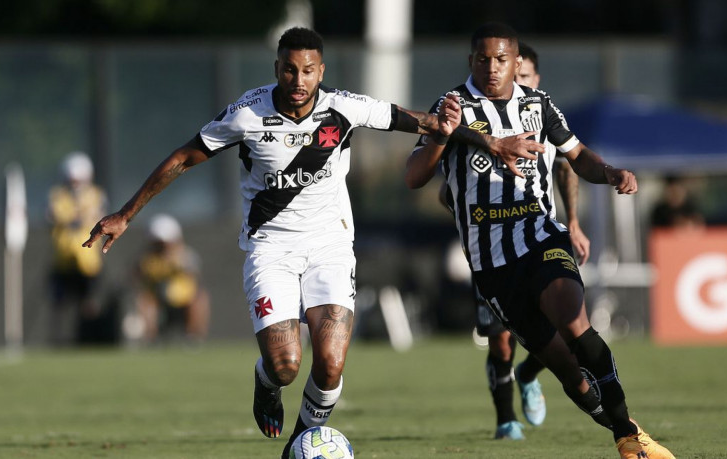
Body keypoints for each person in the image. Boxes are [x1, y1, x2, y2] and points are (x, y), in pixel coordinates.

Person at [83, 27, 537, 458]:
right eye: (288, 70)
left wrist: (489, 143)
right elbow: (185, 155)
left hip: (331, 247)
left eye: (308, 71)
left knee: (332, 363)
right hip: (270, 250)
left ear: (321, 71)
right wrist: (126, 213)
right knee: (285, 364)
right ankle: (267, 382)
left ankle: (298, 445)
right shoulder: (248, 112)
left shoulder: (343, 108)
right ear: (277, 67)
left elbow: (419, 121)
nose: (298, 81)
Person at [405, 23, 674, 459]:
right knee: (570, 373)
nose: (492, 68)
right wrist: (443, 134)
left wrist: (610, 173)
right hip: (491, 261)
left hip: (540, 234)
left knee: (574, 321)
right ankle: (612, 420)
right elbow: (414, 176)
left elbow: (576, 156)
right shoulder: (451, 106)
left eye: (501, 60)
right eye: (483, 59)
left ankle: (628, 439)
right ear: (470, 61)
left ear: (517, 63)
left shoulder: (538, 104)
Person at [461, 41, 593, 440]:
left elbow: (569, 167)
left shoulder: (542, 116)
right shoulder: (477, 121)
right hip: (491, 245)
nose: (508, 79)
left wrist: (573, 221)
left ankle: (530, 374)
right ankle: (505, 419)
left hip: (539, 237)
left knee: (564, 326)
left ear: (533, 78)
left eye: (520, 75)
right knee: (500, 339)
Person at [47, 151, 108, 345]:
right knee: (60, 303)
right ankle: (60, 340)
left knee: (89, 302)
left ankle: (90, 338)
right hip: (63, 259)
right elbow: (55, 215)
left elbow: (98, 213)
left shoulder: (96, 195)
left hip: (88, 261)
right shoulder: (58, 196)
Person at [134, 214, 210, 343]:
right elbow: (135, 278)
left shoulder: (186, 256)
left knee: (200, 299)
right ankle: (151, 338)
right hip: (157, 299)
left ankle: (194, 337)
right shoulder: (146, 259)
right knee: (145, 301)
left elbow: (195, 277)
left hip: (183, 299)